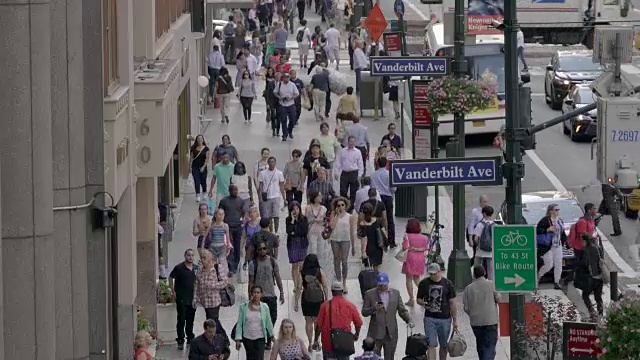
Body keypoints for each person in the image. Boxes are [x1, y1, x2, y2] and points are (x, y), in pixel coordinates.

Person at [362, 272, 413, 359]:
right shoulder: (369, 294)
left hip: (391, 333)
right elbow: (364, 312)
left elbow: (402, 310)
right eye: (380, 285)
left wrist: (408, 320)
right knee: (374, 357)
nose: (382, 287)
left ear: (388, 283)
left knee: (389, 357)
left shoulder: (396, 294)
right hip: (375, 333)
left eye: (384, 285)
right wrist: (374, 308)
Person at [417, 263, 458, 360]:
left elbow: (452, 302)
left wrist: (455, 320)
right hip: (429, 318)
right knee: (431, 344)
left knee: (443, 345)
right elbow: (418, 299)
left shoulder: (448, 284)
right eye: (430, 274)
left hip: (445, 318)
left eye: (434, 274)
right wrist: (423, 303)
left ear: (439, 272)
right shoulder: (424, 283)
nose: (432, 276)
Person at [315, 281, 363, 360]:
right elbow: (358, 323)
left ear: (332, 291)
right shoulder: (350, 305)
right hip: (344, 343)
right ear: (342, 291)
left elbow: (319, 325)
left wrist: (316, 340)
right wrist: (356, 335)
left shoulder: (325, 306)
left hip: (328, 343)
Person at [248, 241, 286, 336]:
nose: (262, 251)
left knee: (273, 317)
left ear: (267, 249)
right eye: (260, 249)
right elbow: (251, 281)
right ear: (256, 251)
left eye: (264, 248)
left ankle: (268, 336)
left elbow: (277, 277)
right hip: (259, 297)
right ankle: (264, 337)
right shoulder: (253, 263)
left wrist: (281, 292)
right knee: (260, 319)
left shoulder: (272, 261)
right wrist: (250, 295)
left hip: (271, 295)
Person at [463, 265, 500, 360]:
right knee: (490, 346)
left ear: (474, 275)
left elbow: (466, 308)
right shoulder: (491, 284)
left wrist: (472, 314)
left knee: (480, 344)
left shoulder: (468, 288)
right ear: (484, 273)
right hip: (490, 320)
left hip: (476, 322)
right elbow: (498, 298)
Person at [296, 254, 330, 352]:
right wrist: (326, 299)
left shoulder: (302, 272)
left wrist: (296, 301)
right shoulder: (320, 271)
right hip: (318, 300)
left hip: (306, 300)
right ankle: (317, 340)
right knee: (317, 321)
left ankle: (310, 343)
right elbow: (325, 286)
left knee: (308, 322)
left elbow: (298, 287)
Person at [234, 285, 275, 360]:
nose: (256, 294)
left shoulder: (265, 307)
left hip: (260, 337)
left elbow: (268, 322)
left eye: (258, 292)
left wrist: (272, 335)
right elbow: (240, 324)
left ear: (261, 294)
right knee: (250, 358)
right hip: (247, 337)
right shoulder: (243, 307)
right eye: (254, 292)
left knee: (259, 357)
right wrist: (238, 339)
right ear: (251, 294)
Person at [169, 249, 197, 350]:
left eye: (192, 255)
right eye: (188, 255)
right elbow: (170, 277)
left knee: (190, 319)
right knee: (181, 319)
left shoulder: (196, 268)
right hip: (181, 298)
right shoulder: (179, 268)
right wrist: (173, 291)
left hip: (192, 299)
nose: (190, 257)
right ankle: (180, 339)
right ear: (185, 256)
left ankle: (190, 337)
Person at [536, 203, 567, 290]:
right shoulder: (545, 220)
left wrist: (564, 242)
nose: (558, 211)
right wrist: (548, 229)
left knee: (558, 264)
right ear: (551, 211)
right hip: (547, 246)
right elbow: (538, 231)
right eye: (556, 210)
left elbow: (562, 232)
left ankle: (557, 282)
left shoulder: (559, 220)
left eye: (558, 210)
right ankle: (538, 276)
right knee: (549, 264)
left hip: (558, 245)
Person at [575, 233, 605, 320]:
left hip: (590, 278)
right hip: (599, 277)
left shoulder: (584, 251)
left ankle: (591, 311)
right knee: (598, 297)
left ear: (584, 240)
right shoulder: (597, 248)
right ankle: (600, 313)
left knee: (585, 295)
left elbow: (584, 264)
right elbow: (602, 258)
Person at [193, 250, 229, 321]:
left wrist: (214, 285)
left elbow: (225, 282)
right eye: (201, 258)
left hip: (214, 301)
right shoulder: (200, 270)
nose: (202, 260)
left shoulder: (217, 268)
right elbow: (197, 284)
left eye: (204, 258)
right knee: (211, 322)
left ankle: (219, 332)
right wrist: (195, 299)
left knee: (212, 321)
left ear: (210, 259)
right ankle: (219, 332)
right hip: (205, 302)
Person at [218, 185, 246, 276]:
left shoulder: (241, 201)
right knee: (229, 246)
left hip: (237, 227)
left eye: (236, 189)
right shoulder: (224, 201)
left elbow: (243, 212)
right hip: (227, 227)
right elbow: (219, 212)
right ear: (229, 191)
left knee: (237, 246)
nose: (235, 191)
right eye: (234, 190)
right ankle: (230, 266)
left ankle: (235, 266)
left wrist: (241, 220)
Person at [329, 197, 355, 292]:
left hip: (345, 240)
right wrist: (337, 215)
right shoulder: (333, 214)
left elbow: (352, 232)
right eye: (338, 205)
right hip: (334, 239)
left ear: (345, 206)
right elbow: (331, 226)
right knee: (336, 260)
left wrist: (353, 246)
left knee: (344, 261)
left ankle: (344, 282)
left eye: (342, 205)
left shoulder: (350, 217)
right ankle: (338, 280)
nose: (340, 207)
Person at [402, 218, 429, 306]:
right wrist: (418, 249)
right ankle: (425, 294)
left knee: (409, 278)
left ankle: (411, 299)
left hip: (410, 257)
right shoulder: (424, 237)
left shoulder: (407, 236)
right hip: (420, 258)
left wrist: (411, 247)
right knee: (417, 278)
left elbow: (405, 247)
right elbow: (426, 248)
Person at [371, 157, 396, 247]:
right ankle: (391, 241)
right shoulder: (389, 174)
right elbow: (393, 188)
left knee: (377, 219)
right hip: (388, 197)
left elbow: (372, 188)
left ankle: (379, 240)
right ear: (386, 163)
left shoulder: (373, 175)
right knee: (390, 219)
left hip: (378, 198)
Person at [258, 156, 286, 233]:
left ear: (275, 163)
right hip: (266, 197)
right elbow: (260, 186)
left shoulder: (279, 173)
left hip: (276, 196)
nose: (271, 163)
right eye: (270, 162)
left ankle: (276, 232)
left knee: (276, 216)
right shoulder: (263, 173)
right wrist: (260, 197)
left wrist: (284, 198)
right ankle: (271, 231)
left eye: (273, 162)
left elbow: (281, 186)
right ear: (268, 163)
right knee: (268, 216)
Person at [286, 201, 310, 293]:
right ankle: (295, 285)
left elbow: (303, 231)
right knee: (294, 265)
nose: (295, 211)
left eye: (297, 209)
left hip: (302, 243)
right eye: (293, 209)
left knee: (301, 265)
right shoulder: (288, 220)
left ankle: (302, 283)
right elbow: (289, 231)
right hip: (292, 244)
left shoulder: (304, 219)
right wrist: (292, 221)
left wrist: (294, 232)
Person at [336, 136, 364, 212]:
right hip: (345, 173)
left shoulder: (358, 152)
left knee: (353, 192)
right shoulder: (343, 151)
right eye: (350, 141)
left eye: (353, 141)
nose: (352, 143)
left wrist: (360, 175)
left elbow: (360, 164)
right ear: (348, 142)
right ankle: (343, 205)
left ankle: (350, 208)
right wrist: (337, 172)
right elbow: (339, 162)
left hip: (354, 173)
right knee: (343, 191)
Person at [357, 203, 385, 268]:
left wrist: (363, 252)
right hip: (378, 248)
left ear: (363, 212)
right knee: (377, 268)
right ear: (373, 211)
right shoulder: (378, 221)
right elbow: (384, 233)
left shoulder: (362, 224)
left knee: (368, 270)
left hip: (368, 249)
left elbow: (363, 239)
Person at [472, 205, 496, 281]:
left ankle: (477, 282)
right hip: (491, 252)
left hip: (480, 252)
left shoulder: (480, 225)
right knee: (491, 271)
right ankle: (491, 286)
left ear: (484, 214)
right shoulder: (495, 226)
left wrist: (478, 245)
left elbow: (476, 238)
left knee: (477, 268)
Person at [274, 73, 300, 141]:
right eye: (285, 77)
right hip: (282, 104)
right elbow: (275, 92)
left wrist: (291, 98)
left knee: (292, 119)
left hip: (291, 104)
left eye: (287, 77)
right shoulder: (279, 84)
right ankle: (284, 134)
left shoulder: (292, 85)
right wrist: (280, 97)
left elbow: (297, 94)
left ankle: (290, 131)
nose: (286, 79)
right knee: (283, 120)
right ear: (283, 78)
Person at [467, 195, 489, 262]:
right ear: (480, 202)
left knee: (482, 255)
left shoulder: (488, 211)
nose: (486, 203)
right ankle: (469, 267)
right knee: (476, 255)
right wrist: (471, 239)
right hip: (475, 236)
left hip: (483, 237)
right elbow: (471, 225)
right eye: (484, 202)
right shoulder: (475, 211)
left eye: (486, 202)